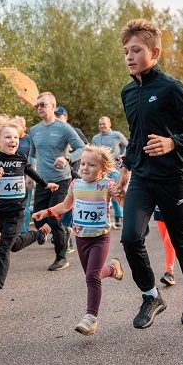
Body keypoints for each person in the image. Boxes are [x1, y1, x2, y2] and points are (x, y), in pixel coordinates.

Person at [115, 18, 183, 329]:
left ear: (155, 51)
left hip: (172, 176)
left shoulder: (171, 88)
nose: (129, 56)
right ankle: (150, 296)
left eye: (136, 50)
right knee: (131, 238)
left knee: (182, 239)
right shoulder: (127, 93)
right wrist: (126, 170)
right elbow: (135, 136)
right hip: (142, 177)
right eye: (126, 51)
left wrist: (174, 142)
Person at [32, 145, 125, 335]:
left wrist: (122, 193)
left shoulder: (107, 185)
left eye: (91, 165)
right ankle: (114, 269)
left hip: (100, 238)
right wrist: (47, 212)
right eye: (82, 163)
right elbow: (66, 206)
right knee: (94, 275)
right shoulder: (75, 185)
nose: (85, 168)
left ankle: (90, 318)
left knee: (91, 276)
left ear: (103, 169)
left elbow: (124, 203)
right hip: (81, 238)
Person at [0, 116, 58, 311]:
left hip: (17, 211)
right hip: (0, 212)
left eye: (16, 138)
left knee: (2, 249)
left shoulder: (21, 158)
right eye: (8, 137)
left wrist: (45, 184)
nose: (13, 141)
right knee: (15, 245)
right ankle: (41, 232)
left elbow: (31, 172)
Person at [28, 92, 85, 271]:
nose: (40, 108)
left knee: (53, 218)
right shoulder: (34, 130)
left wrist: (67, 158)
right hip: (43, 182)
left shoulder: (64, 128)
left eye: (43, 105)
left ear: (53, 106)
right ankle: (58, 231)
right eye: (38, 105)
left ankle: (61, 258)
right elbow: (32, 154)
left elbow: (83, 148)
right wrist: (31, 174)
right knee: (37, 218)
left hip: (62, 180)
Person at [55, 106, 89, 253]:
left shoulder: (74, 131)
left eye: (60, 116)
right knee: (60, 205)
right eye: (55, 116)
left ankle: (67, 234)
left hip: (73, 172)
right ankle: (60, 233)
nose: (57, 118)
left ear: (66, 118)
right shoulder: (51, 133)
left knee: (69, 205)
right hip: (56, 175)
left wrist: (70, 154)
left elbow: (86, 148)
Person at [91, 115, 128, 227]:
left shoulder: (117, 135)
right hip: (101, 170)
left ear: (109, 124)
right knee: (100, 193)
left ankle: (118, 217)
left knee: (116, 191)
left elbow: (128, 145)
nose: (102, 126)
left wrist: (123, 155)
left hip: (115, 169)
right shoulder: (96, 138)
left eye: (104, 124)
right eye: (100, 124)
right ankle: (100, 218)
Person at [14, 116, 33, 234]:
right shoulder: (12, 139)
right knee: (15, 204)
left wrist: (30, 176)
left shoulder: (29, 140)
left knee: (25, 204)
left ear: (24, 127)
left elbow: (33, 159)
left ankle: (24, 231)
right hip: (13, 176)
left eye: (17, 125)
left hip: (26, 175)